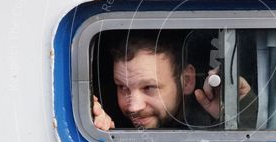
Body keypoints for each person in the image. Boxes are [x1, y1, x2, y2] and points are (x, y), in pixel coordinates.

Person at [91, 31, 253, 131]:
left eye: (148, 87)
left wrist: (242, 111)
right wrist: (98, 128)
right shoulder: (106, 115)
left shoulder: (208, 119)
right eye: (122, 87)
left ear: (187, 81)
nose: (134, 106)